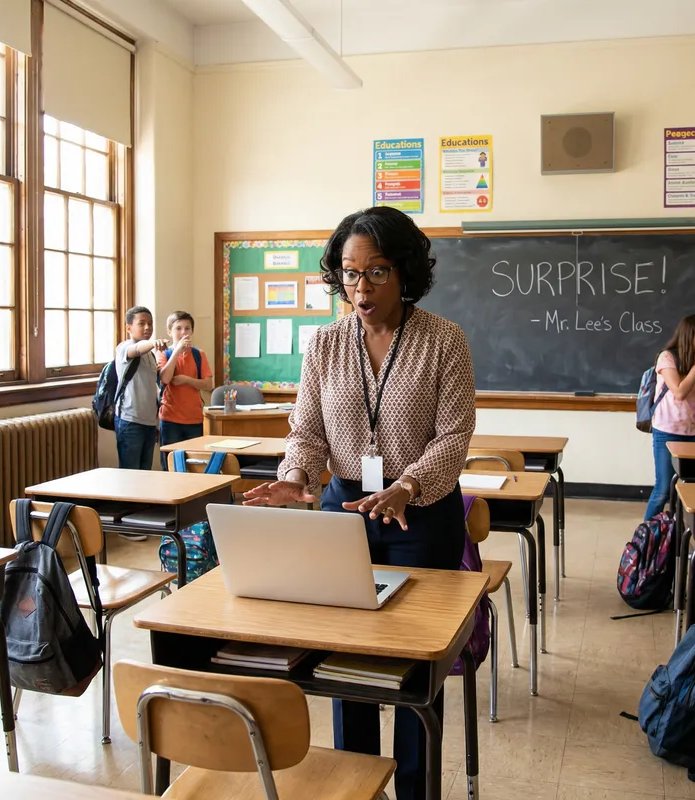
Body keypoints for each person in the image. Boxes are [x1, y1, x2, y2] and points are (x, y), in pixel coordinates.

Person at [244, 205, 476, 800]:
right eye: (349, 273)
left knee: (414, 663)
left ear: (404, 272)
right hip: (345, 514)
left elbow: (454, 434)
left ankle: (417, 789)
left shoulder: (443, 340)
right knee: (345, 659)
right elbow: (306, 430)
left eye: (376, 272)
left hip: (421, 517)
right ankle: (356, 784)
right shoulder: (324, 344)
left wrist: (408, 486)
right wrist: (296, 476)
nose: (361, 287)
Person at [645, 314, 695, 520]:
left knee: (692, 490)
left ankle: (679, 539)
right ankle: (643, 540)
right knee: (663, 489)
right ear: (689, 336)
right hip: (666, 433)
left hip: (694, 434)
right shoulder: (667, 357)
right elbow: (680, 392)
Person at [114, 306, 167, 540]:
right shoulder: (125, 348)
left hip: (147, 421)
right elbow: (136, 348)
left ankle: (140, 520)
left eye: (150, 323)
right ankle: (125, 525)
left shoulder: (150, 354)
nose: (147, 328)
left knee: (144, 473)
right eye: (141, 323)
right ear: (129, 328)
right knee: (129, 473)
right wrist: (154, 343)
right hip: (129, 420)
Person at [157, 310, 214, 468]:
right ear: (169, 332)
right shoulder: (164, 354)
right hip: (170, 420)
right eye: (178, 328)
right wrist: (176, 351)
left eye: (187, 328)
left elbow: (208, 384)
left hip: (194, 419)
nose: (183, 332)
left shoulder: (199, 355)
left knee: (194, 465)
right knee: (171, 464)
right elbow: (165, 378)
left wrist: (186, 380)